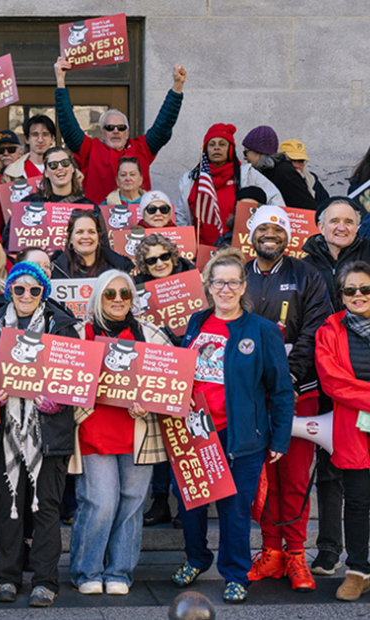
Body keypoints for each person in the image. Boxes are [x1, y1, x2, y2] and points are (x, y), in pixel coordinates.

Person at [172, 247, 294, 604]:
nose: (225, 289)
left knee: (235, 507)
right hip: (196, 431)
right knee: (190, 503)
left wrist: (280, 437)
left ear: (244, 286)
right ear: (208, 286)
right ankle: (196, 558)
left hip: (242, 436)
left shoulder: (262, 330)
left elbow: (281, 389)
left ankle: (235, 572)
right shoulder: (197, 322)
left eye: (233, 282)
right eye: (218, 282)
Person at [241, 205, 332, 592]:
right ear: (251, 233)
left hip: (299, 392)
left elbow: (316, 328)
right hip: (250, 397)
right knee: (263, 479)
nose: (270, 235)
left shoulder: (307, 274)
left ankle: (296, 554)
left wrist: (289, 377)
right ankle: (271, 551)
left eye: (277, 229)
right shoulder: (238, 275)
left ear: (287, 237)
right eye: (263, 228)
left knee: (293, 477)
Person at [69, 270, 170, 596]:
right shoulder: (78, 333)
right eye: (109, 294)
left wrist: (151, 402)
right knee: (100, 502)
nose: (117, 300)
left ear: (132, 299)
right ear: (98, 297)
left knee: (131, 504)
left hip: (138, 434)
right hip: (93, 433)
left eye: (124, 294)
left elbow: (174, 382)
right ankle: (87, 571)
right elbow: (60, 383)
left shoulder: (150, 334)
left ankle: (119, 572)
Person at [0, 261, 78, 608]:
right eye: (19, 288)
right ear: (9, 290)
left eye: (34, 289)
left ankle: (44, 581)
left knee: (47, 508)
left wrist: (58, 400)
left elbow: (76, 377)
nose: (26, 295)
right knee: (8, 505)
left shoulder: (63, 327)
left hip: (48, 433)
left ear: (44, 293)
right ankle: (6, 577)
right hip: (6, 430)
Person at [54, 58, 186, 204]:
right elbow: (68, 126)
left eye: (121, 128)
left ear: (128, 133)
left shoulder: (142, 148)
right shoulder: (90, 150)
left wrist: (177, 87)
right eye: (110, 128)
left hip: (137, 223)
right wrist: (60, 82)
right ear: (102, 134)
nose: (116, 131)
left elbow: (163, 125)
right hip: (99, 222)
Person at [315, 260, 370, 600]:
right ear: (341, 295)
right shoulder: (329, 330)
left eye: (365, 289)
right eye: (350, 290)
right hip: (353, 426)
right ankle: (358, 569)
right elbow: (333, 382)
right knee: (358, 500)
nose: (358, 295)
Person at [179, 123, 250, 239]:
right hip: (201, 250)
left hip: (236, 250)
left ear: (230, 149)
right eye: (211, 144)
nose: (216, 147)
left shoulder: (247, 175)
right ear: (205, 150)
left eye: (222, 144)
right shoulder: (191, 179)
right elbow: (181, 216)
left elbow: (274, 201)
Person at [303, 197, 370, 307]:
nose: (342, 228)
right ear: (322, 227)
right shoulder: (306, 266)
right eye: (334, 221)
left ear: (357, 227)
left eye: (348, 222)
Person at [241, 126, 317, 210]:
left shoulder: (283, 172)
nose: (245, 158)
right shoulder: (263, 172)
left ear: (259, 152)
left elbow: (307, 206)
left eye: (246, 153)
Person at [53, 208, 133, 279]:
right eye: (79, 232)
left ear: (98, 237)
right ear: (70, 238)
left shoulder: (117, 269)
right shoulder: (55, 270)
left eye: (91, 232)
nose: (86, 236)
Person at [25, 147, 94, 204]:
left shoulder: (87, 206)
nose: (60, 168)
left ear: (73, 168)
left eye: (65, 163)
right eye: (53, 165)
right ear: (46, 173)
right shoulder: (31, 202)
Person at [3, 115, 56, 182]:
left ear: (52, 139)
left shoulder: (64, 168)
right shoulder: (11, 172)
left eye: (45, 134)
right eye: (35, 134)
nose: (40, 140)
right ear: (26, 139)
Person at [279, 139, 330, 207]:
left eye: (301, 161)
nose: (297, 165)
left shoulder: (312, 180)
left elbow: (325, 206)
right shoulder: (274, 180)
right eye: (292, 160)